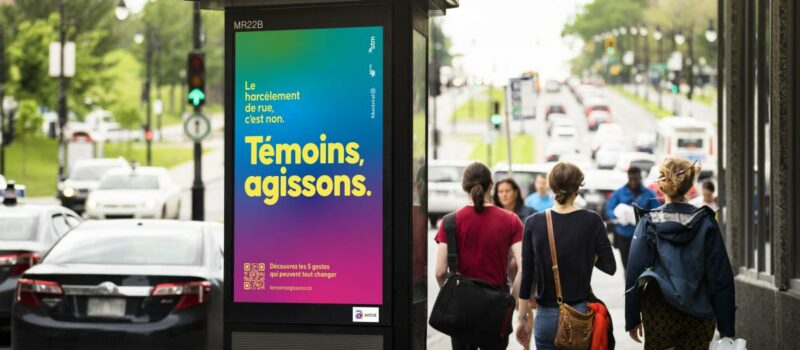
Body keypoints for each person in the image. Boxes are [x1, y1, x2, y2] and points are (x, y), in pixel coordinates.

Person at [625, 157, 735, 349]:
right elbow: (721, 276)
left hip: (659, 310)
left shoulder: (649, 222)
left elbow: (634, 272)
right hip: (699, 312)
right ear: (690, 184)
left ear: (662, 186)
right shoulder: (706, 222)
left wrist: (632, 318)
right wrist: (726, 325)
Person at [515, 162, 617, 350]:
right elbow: (610, 267)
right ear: (578, 187)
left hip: (545, 316)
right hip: (579, 315)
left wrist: (522, 319)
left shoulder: (533, 223)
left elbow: (527, 275)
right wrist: (586, 256)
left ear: (551, 185)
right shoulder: (592, 220)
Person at [435, 162, 524, 350]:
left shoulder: (449, 222)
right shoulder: (511, 220)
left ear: (463, 186)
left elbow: (440, 272)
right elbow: (524, 267)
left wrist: (453, 297)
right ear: (491, 185)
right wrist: (512, 301)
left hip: (462, 311)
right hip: (496, 307)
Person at [605, 166, 659, 269]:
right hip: (624, 234)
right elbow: (609, 209)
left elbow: (656, 212)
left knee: (641, 266)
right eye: (631, 179)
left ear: (640, 178)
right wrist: (617, 216)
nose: (633, 182)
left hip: (643, 236)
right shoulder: (619, 193)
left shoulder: (649, 194)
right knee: (627, 266)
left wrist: (644, 216)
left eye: (636, 179)